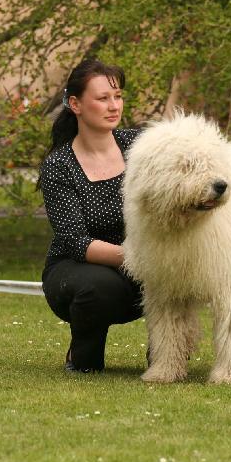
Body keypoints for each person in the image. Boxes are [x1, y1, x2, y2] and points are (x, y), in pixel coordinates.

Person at [37, 59, 143, 373]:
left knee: (177, 275)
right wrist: (142, 258)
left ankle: (167, 359)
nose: (114, 106)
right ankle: (83, 358)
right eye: (103, 98)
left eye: (118, 96)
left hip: (141, 265)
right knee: (98, 286)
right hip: (78, 268)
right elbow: (76, 242)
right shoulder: (59, 165)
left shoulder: (139, 147)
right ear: (75, 104)